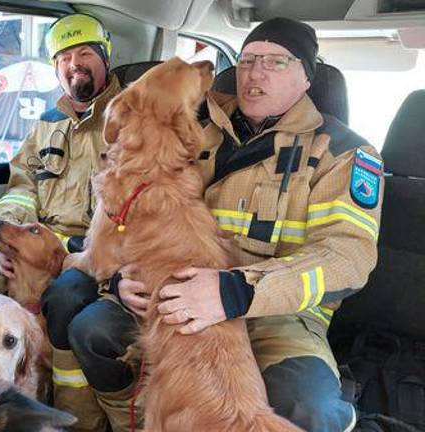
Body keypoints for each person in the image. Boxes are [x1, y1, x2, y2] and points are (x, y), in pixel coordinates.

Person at [46, 17, 384, 432]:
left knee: (307, 407)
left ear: (307, 76)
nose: (255, 72)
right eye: (247, 59)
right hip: (176, 292)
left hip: (278, 310)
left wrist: (236, 290)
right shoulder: (191, 123)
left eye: (276, 62)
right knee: (92, 330)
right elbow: (133, 214)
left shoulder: (345, 152)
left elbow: (347, 257)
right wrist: (118, 277)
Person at [0, 13, 120, 311]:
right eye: (64, 57)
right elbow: (21, 187)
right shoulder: (47, 125)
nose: (75, 63)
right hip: (33, 240)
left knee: (66, 296)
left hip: (89, 251)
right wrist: (7, 239)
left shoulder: (131, 121)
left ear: (105, 59)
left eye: (86, 53)